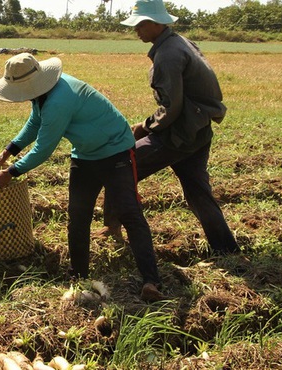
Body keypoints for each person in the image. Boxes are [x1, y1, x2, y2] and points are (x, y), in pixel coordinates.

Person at [0, 53, 164, 301]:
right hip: (85, 155)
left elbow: (44, 147)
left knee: (130, 214)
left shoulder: (59, 100)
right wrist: (8, 152)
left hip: (116, 153)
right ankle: (78, 277)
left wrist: (11, 172)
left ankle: (151, 281)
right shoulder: (44, 93)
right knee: (78, 216)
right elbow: (35, 122)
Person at [99, 0, 240, 255]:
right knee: (198, 191)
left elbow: (171, 107)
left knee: (117, 167)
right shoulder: (181, 42)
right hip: (198, 130)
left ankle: (112, 227)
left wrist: (144, 127)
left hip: (178, 134)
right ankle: (226, 248)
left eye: (140, 24)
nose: (136, 30)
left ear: (156, 23)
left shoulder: (168, 54)